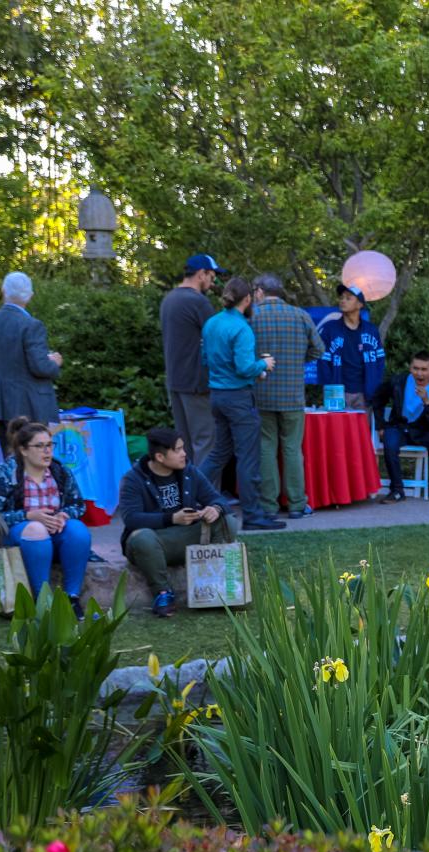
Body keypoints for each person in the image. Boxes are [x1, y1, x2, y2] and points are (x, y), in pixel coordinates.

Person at [0, 418, 91, 619]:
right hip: (16, 537)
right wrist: (28, 516)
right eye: (39, 446)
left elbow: (78, 504)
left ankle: (72, 598)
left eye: (49, 445)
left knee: (77, 530)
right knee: (35, 529)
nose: (47, 451)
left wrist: (63, 515)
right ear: (23, 450)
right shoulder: (7, 473)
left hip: (53, 534)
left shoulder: (59, 471)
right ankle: (43, 601)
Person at [117, 427, 232, 618]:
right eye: (178, 450)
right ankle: (163, 594)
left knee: (228, 520)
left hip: (184, 537)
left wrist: (215, 509)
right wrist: (171, 518)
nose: (184, 454)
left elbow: (217, 499)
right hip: (153, 543)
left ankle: (216, 585)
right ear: (160, 457)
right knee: (143, 538)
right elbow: (131, 518)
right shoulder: (133, 479)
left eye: (183, 448)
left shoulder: (189, 472)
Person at [200, 276, 284, 531]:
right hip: (238, 399)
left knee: (218, 454)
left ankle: (186, 492)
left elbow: (206, 359)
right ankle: (253, 515)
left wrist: (245, 370)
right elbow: (245, 366)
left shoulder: (212, 323)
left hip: (217, 396)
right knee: (248, 458)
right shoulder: (242, 329)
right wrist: (263, 365)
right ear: (247, 299)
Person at [247, 273, 322, 519]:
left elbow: (243, 353)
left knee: (266, 448)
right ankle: (298, 505)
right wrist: (299, 361)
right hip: (292, 395)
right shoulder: (300, 315)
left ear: (259, 291)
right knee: (292, 449)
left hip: (262, 393)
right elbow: (319, 349)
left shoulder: (252, 316)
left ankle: (268, 506)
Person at [0, 272, 62, 454]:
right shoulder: (31, 325)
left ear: (3, 291)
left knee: (10, 462)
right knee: (32, 463)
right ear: (30, 295)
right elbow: (40, 367)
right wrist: (54, 363)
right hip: (31, 406)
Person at [161, 255, 222, 465]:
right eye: (212, 277)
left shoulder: (169, 299)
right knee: (205, 442)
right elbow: (220, 338)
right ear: (201, 274)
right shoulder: (197, 301)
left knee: (183, 446)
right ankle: (206, 496)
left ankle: (187, 493)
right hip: (197, 384)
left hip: (175, 381)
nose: (213, 283)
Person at [372, 351, 429, 503]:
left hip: (424, 432)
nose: (419, 373)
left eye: (424, 369)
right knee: (390, 443)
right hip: (398, 427)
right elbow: (377, 399)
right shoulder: (399, 381)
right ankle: (397, 491)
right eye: (415, 368)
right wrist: (380, 426)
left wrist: (427, 402)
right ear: (410, 368)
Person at [318, 282, 386, 409]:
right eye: (341, 298)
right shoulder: (330, 329)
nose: (343, 301)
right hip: (337, 393)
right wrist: (330, 387)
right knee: (338, 429)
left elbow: (380, 361)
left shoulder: (371, 330)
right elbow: (323, 361)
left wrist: (374, 385)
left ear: (360, 304)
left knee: (362, 429)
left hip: (365, 393)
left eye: (348, 298)